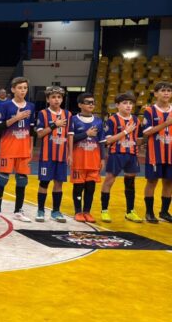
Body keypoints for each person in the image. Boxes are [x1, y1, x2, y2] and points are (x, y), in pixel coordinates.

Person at [0, 77, 34, 222]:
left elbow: (32, 130)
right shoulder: (4, 106)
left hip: (24, 148)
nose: (23, 90)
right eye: (20, 87)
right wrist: (15, 118)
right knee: (3, 179)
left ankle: (18, 211)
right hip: (9, 147)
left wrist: (30, 149)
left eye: (25, 88)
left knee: (22, 180)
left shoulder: (31, 106)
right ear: (13, 89)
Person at [101, 92, 141, 223]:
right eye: (125, 103)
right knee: (109, 181)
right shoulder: (112, 120)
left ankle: (130, 212)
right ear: (117, 105)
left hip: (132, 155)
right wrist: (125, 131)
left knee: (130, 183)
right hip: (116, 154)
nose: (128, 106)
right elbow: (108, 141)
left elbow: (138, 138)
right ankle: (104, 210)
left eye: (130, 103)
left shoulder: (136, 120)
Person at [35, 86, 70, 223]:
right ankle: (41, 210)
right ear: (48, 99)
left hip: (61, 155)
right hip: (46, 156)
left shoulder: (68, 114)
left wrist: (70, 154)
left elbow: (70, 136)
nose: (56, 100)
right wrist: (55, 125)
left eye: (59, 97)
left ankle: (56, 211)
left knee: (59, 184)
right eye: (53, 97)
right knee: (44, 183)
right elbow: (39, 134)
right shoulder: (43, 114)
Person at [68, 92, 104, 223]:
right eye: (88, 102)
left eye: (93, 102)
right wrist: (86, 134)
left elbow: (101, 142)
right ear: (80, 105)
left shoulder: (99, 121)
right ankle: (78, 211)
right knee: (78, 187)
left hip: (94, 159)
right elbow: (70, 139)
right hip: (79, 159)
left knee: (90, 187)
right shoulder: (73, 120)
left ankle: (87, 212)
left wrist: (103, 158)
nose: (91, 104)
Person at [141, 81, 172, 224]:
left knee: (169, 183)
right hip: (155, 153)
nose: (166, 93)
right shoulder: (149, 110)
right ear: (156, 93)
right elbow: (147, 132)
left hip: (171, 154)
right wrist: (166, 123)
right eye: (163, 90)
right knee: (152, 181)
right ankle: (149, 212)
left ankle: (164, 212)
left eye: (169, 91)